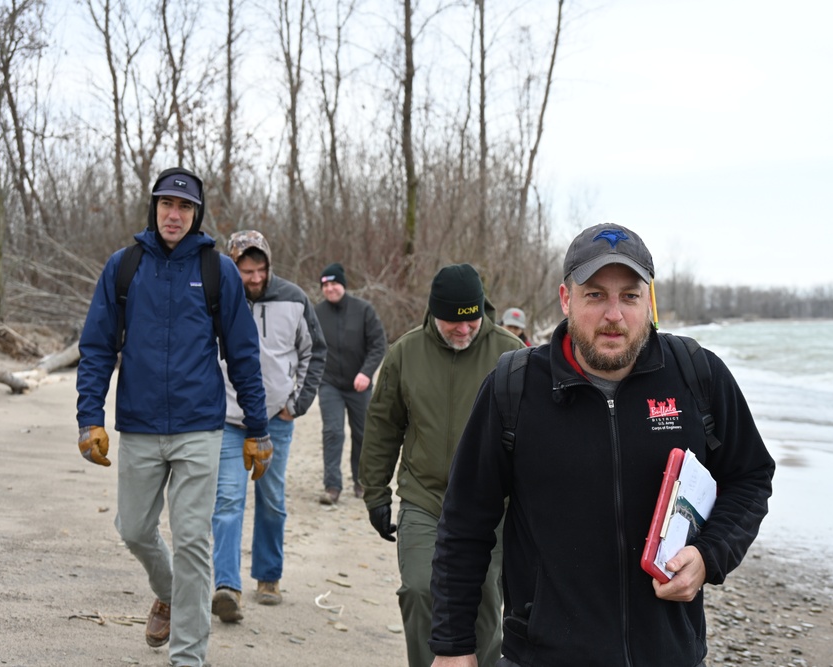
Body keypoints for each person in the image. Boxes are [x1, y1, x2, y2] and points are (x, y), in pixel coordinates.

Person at [428, 224, 776, 667]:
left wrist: (709, 556)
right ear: (565, 298)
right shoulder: (513, 388)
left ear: (648, 302)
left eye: (629, 296)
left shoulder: (696, 375)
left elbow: (750, 476)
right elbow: (464, 522)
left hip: (669, 654)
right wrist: (454, 645)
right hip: (542, 655)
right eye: (595, 295)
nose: (614, 315)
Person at [76, 168, 271, 667]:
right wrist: (89, 417)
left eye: (184, 207)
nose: (174, 214)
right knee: (134, 529)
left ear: (196, 214)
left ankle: (188, 656)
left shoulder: (217, 270)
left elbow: (243, 354)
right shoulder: (124, 267)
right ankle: (168, 592)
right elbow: (98, 347)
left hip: (198, 426)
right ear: (154, 207)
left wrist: (258, 428)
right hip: (139, 424)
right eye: (167, 204)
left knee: (192, 540)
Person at [359, 264, 525, 667]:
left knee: (485, 600)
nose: (464, 331)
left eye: (472, 321)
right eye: (454, 322)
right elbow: (383, 425)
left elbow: (535, 438)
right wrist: (375, 493)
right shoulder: (405, 353)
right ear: (434, 314)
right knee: (419, 589)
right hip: (425, 497)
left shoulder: (512, 355)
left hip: (490, 505)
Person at [210, 230, 327, 622]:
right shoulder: (218, 298)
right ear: (232, 266)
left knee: (272, 500)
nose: (255, 277)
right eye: (246, 270)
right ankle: (227, 586)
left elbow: (315, 351)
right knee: (228, 500)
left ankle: (268, 576)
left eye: (261, 269)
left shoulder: (294, 298)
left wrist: (297, 405)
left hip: (277, 419)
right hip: (229, 419)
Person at [314, 262, 387, 504]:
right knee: (333, 432)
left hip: (360, 385)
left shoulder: (363, 310)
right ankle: (332, 486)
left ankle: (361, 481)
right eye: (325, 285)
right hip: (329, 383)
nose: (330, 288)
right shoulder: (316, 313)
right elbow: (308, 346)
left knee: (363, 434)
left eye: (334, 283)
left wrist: (366, 373)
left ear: (343, 285)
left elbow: (379, 344)